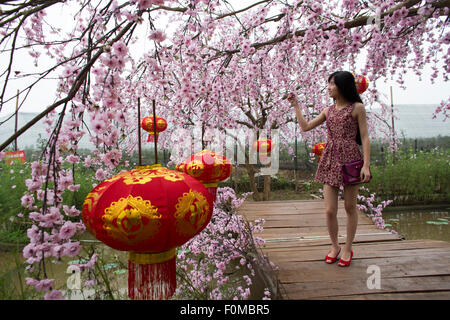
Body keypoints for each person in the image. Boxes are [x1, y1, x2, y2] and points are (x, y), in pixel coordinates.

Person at [287, 71, 371, 267]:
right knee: (329, 210)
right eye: (329, 84)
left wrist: (366, 165)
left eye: (332, 84)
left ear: (342, 86)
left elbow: (365, 137)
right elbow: (306, 127)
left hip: (351, 159)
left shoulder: (357, 108)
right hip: (330, 159)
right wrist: (296, 106)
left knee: (350, 207)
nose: (329, 87)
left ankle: (348, 248)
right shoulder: (328, 110)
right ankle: (335, 246)